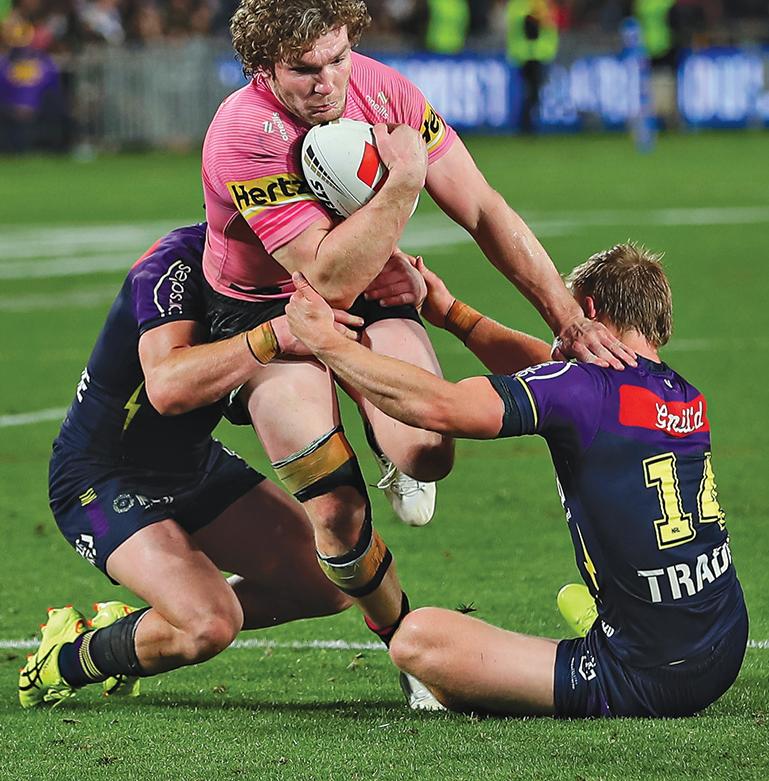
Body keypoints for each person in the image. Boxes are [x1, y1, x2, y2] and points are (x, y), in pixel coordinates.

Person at [200, 0, 636, 672]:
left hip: (368, 285)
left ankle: (387, 442)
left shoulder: (383, 90)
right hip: (269, 314)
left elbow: (483, 207)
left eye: (338, 58)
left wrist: (567, 320)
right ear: (264, 68)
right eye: (304, 69)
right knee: (338, 514)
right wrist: (405, 178)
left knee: (429, 452)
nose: (327, 82)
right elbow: (324, 276)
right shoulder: (243, 131)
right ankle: (402, 644)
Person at [284, 244, 748, 718]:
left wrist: (327, 342)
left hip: (642, 671)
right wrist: (450, 312)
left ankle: (602, 642)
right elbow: (551, 375)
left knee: (417, 643)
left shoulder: (582, 390)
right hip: (726, 643)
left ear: (588, 311)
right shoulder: (684, 396)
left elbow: (439, 408)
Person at [19, 223, 420, 708]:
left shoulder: (303, 265)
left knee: (326, 586)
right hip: (99, 480)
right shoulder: (172, 265)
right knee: (209, 624)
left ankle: (138, 625)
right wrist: (273, 335)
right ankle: (63, 658)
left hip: (192, 464)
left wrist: (411, 296)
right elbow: (167, 386)